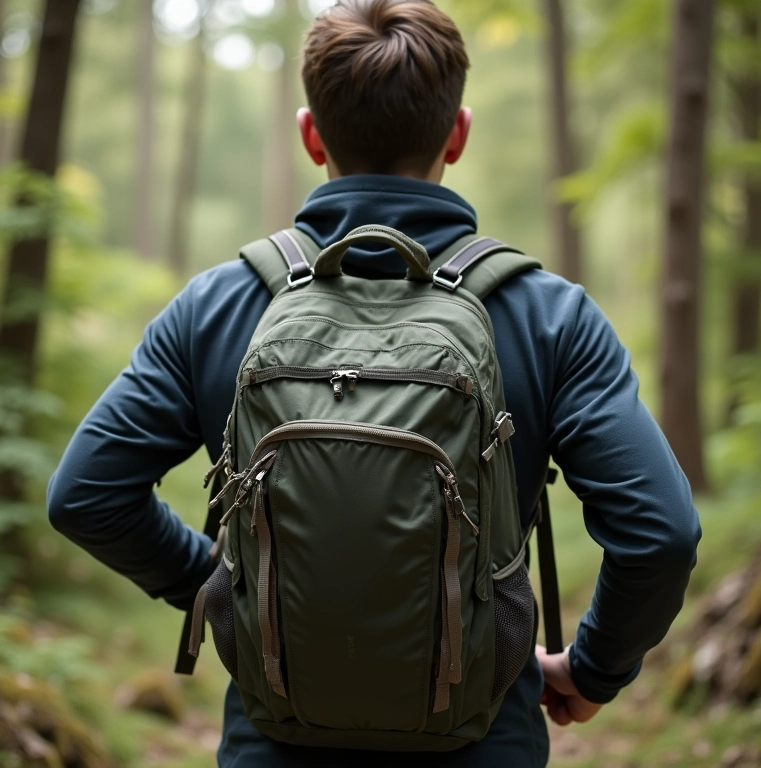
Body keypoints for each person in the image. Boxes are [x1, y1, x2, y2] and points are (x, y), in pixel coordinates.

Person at [47, 0, 701, 765]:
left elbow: (85, 495)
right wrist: (594, 670)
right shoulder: (546, 314)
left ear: (310, 133)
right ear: (457, 134)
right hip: (482, 736)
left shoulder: (220, 305)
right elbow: (661, 532)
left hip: (275, 738)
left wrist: (229, 591)